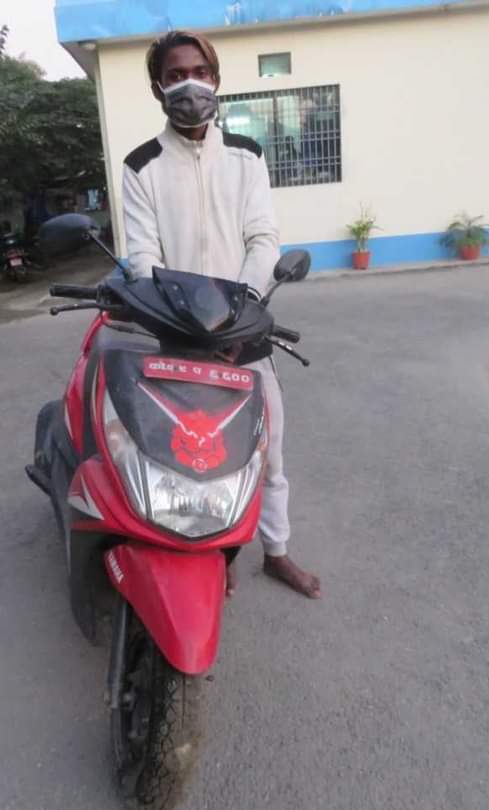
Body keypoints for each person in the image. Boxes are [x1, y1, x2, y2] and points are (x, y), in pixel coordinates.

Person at [120, 30, 321, 600]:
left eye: (201, 72)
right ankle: (215, 551)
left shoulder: (246, 156)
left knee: (267, 451)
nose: (190, 84)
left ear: (216, 80)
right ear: (158, 87)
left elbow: (263, 239)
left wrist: (238, 313)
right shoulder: (142, 167)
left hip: (245, 334)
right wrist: (187, 321)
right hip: (179, 339)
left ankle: (276, 552)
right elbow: (143, 258)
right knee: (189, 459)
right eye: (176, 74)